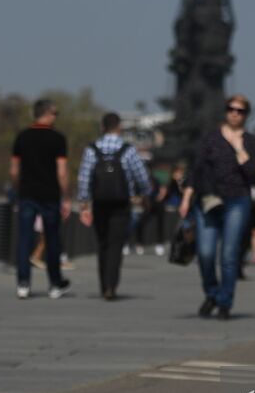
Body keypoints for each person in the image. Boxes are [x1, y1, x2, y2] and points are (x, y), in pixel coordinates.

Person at [177, 94, 255, 319]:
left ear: (246, 115)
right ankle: (212, 293)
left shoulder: (250, 141)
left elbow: (253, 174)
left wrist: (239, 148)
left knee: (229, 255)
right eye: (231, 109)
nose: (234, 113)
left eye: (240, 111)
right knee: (205, 253)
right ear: (226, 111)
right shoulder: (211, 138)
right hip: (208, 200)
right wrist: (186, 198)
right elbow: (197, 169)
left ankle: (225, 301)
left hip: (237, 200)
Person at [77, 112, 153, 301]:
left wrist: (84, 203)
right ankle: (111, 285)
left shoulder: (92, 149)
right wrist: (145, 194)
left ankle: (104, 284)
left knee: (102, 243)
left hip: (100, 203)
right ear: (119, 128)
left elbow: (84, 178)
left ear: (102, 128)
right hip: (121, 203)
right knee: (116, 244)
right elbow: (141, 176)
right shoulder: (128, 150)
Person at [10, 99, 72, 300]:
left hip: (27, 194)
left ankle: (23, 283)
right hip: (50, 195)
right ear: (48, 114)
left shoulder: (22, 137)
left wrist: (19, 189)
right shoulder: (57, 139)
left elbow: (14, 170)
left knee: (25, 239)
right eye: (56, 113)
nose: (56, 117)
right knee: (52, 240)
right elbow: (61, 172)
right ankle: (54, 284)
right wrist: (67, 197)